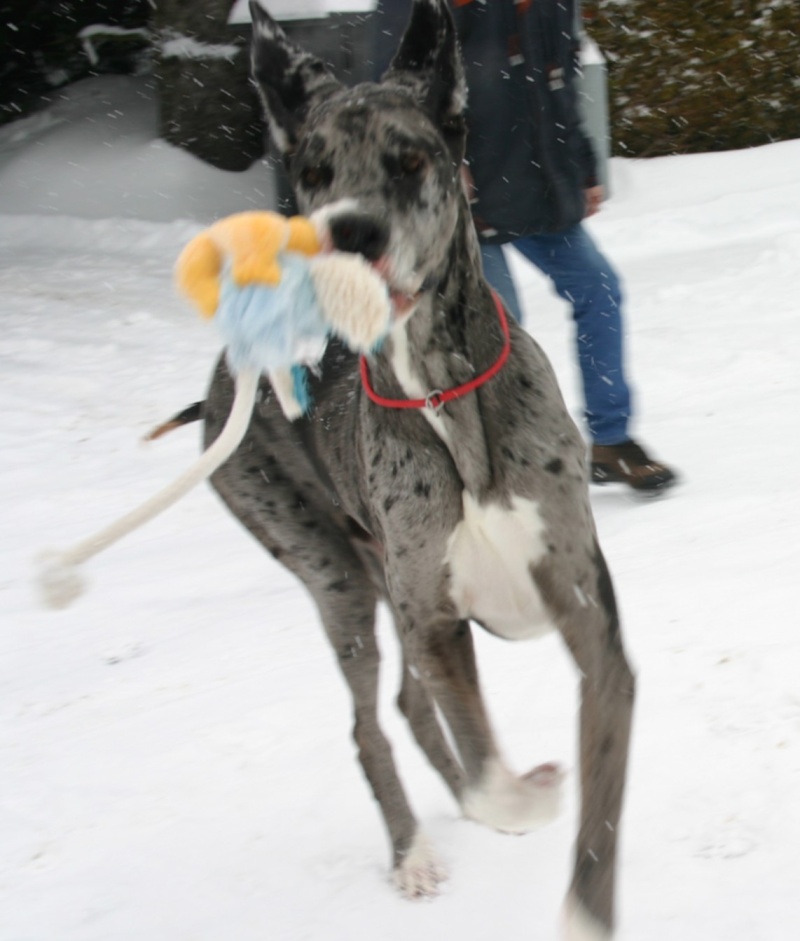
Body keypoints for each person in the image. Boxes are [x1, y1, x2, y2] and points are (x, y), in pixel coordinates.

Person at [373, 0, 676, 493]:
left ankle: (611, 439)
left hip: (534, 187)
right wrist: (441, 162)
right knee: (498, 327)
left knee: (598, 289)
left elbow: (558, 88)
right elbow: (389, 91)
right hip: (458, 204)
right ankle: (495, 462)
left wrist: (580, 164)